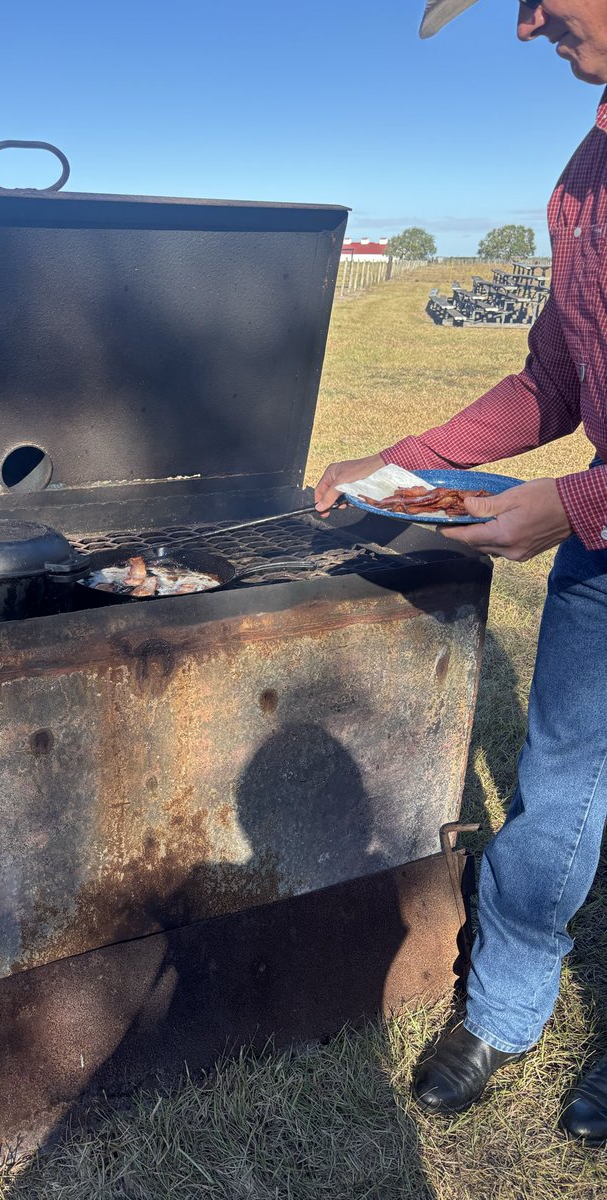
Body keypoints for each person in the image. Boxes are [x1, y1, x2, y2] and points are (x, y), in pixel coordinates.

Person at [315, 0, 607, 1144]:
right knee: (561, 786)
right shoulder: (584, 170)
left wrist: (572, 503)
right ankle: (504, 1010)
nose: (526, 25)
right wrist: (398, 462)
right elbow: (555, 379)